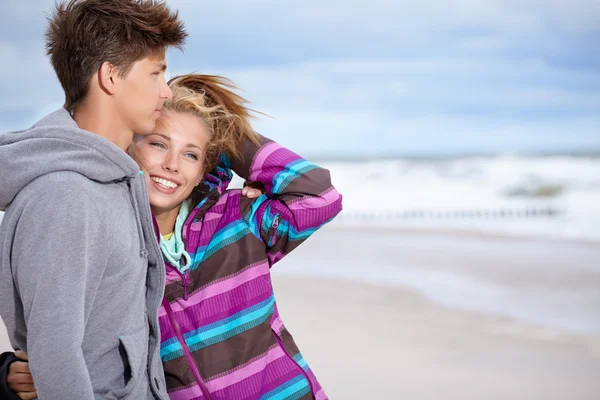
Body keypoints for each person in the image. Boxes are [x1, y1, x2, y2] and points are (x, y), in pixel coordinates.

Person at [4, 74, 343, 399]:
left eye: (191, 154)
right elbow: (80, 341)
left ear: (203, 170)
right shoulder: (113, 238)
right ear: (130, 148)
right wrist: (15, 375)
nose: (172, 164)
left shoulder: (239, 217)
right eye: (158, 144)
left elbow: (318, 196)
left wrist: (226, 138)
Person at [0, 0, 187, 398]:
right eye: (156, 73)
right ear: (110, 77)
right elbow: (57, 357)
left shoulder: (116, 180)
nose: (166, 91)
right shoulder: (66, 197)